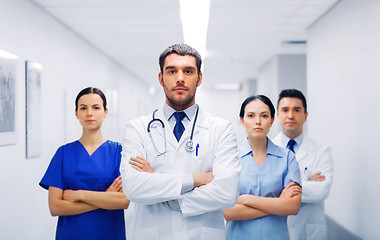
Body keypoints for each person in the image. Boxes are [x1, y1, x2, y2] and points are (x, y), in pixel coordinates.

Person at [120, 43, 241, 240]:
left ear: (199, 78)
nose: (180, 78)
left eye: (188, 71)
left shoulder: (221, 129)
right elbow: (133, 187)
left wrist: (170, 197)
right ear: (161, 78)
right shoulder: (137, 128)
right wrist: (195, 179)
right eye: (171, 71)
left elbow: (227, 192)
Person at [39, 87, 129, 240]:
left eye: (96, 108)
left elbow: (124, 201)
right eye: (83, 108)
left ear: (105, 112)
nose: (89, 113)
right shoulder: (63, 154)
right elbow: (55, 207)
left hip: (109, 234)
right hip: (71, 235)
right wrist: (106, 198)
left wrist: (78, 195)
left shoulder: (119, 153)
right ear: (76, 114)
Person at [224, 95, 302, 240]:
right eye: (251, 116)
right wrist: (278, 204)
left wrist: (246, 199)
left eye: (264, 116)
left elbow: (292, 207)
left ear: (272, 120)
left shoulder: (287, 157)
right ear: (242, 120)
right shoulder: (230, 158)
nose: (258, 122)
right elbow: (227, 211)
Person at [272, 89, 334, 240]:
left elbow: (322, 190)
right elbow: (262, 190)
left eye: (297, 110)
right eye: (285, 110)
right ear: (277, 115)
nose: (291, 115)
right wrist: (306, 184)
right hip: (275, 228)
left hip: (309, 231)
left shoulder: (321, 150)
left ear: (305, 116)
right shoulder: (267, 149)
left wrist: (280, 188)